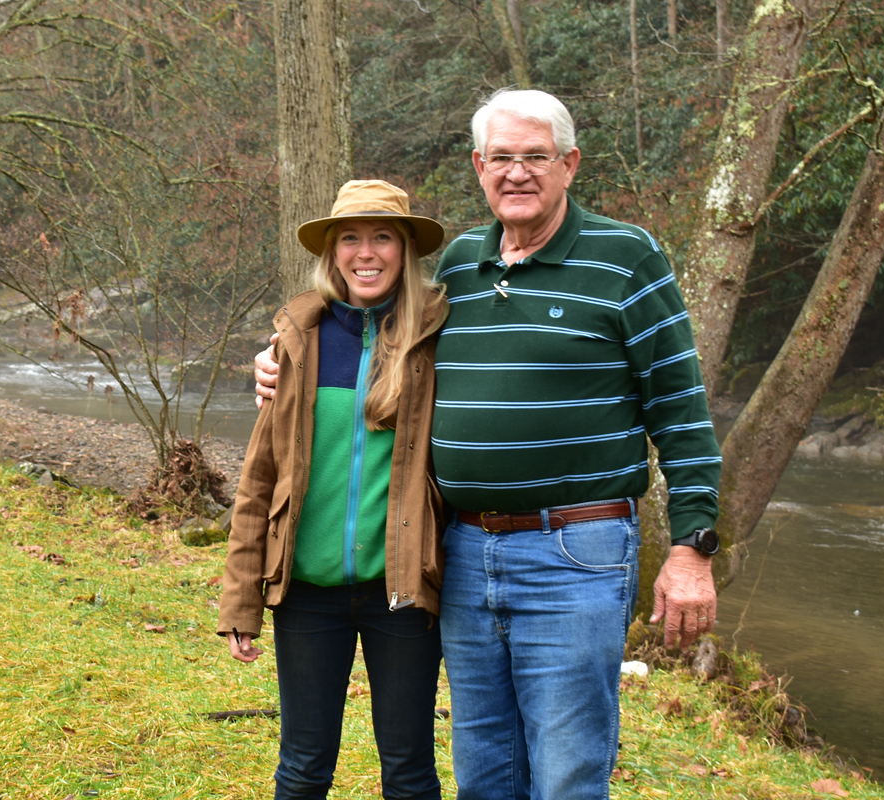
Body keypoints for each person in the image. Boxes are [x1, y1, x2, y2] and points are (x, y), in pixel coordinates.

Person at [253, 90, 722, 800]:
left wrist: (690, 549)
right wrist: (281, 358)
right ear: (479, 166)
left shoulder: (625, 257)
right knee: (485, 763)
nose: (518, 173)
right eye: (502, 157)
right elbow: (369, 314)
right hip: (463, 554)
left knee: (565, 763)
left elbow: (681, 410)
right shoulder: (462, 270)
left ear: (569, 164)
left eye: (536, 157)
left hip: (577, 551)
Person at [218, 179, 450, 800]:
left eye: (383, 237)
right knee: (302, 767)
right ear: (332, 252)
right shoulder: (298, 341)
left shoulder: (437, 338)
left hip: (401, 594)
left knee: (408, 771)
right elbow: (259, 480)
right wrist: (242, 600)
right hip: (306, 595)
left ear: (405, 250)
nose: (365, 252)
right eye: (350, 238)